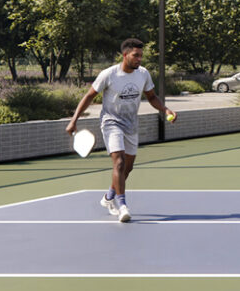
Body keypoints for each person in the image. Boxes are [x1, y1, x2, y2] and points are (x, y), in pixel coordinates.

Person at [66, 38, 173, 223]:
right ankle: (122, 205)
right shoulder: (109, 74)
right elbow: (89, 96)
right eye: (136, 55)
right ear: (125, 55)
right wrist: (74, 120)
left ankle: (108, 198)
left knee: (128, 168)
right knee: (120, 163)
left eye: (141, 56)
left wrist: (165, 109)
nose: (139, 59)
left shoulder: (143, 74)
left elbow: (152, 96)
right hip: (111, 122)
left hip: (131, 124)